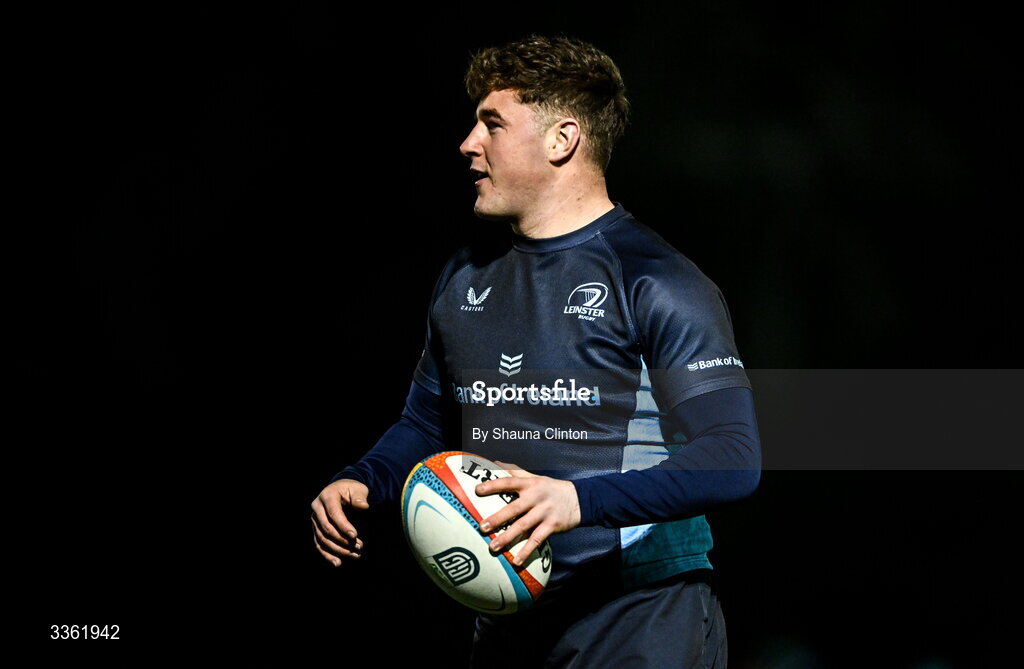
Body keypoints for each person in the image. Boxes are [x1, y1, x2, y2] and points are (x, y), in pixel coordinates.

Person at [311, 34, 761, 667]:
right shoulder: (464, 278)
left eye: (492, 124)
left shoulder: (655, 280)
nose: (468, 143)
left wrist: (578, 501)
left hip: (641, 616)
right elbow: (426, 422)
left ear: (562, 139)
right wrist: (365, 478)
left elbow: (733, 458)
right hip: (507, 614)